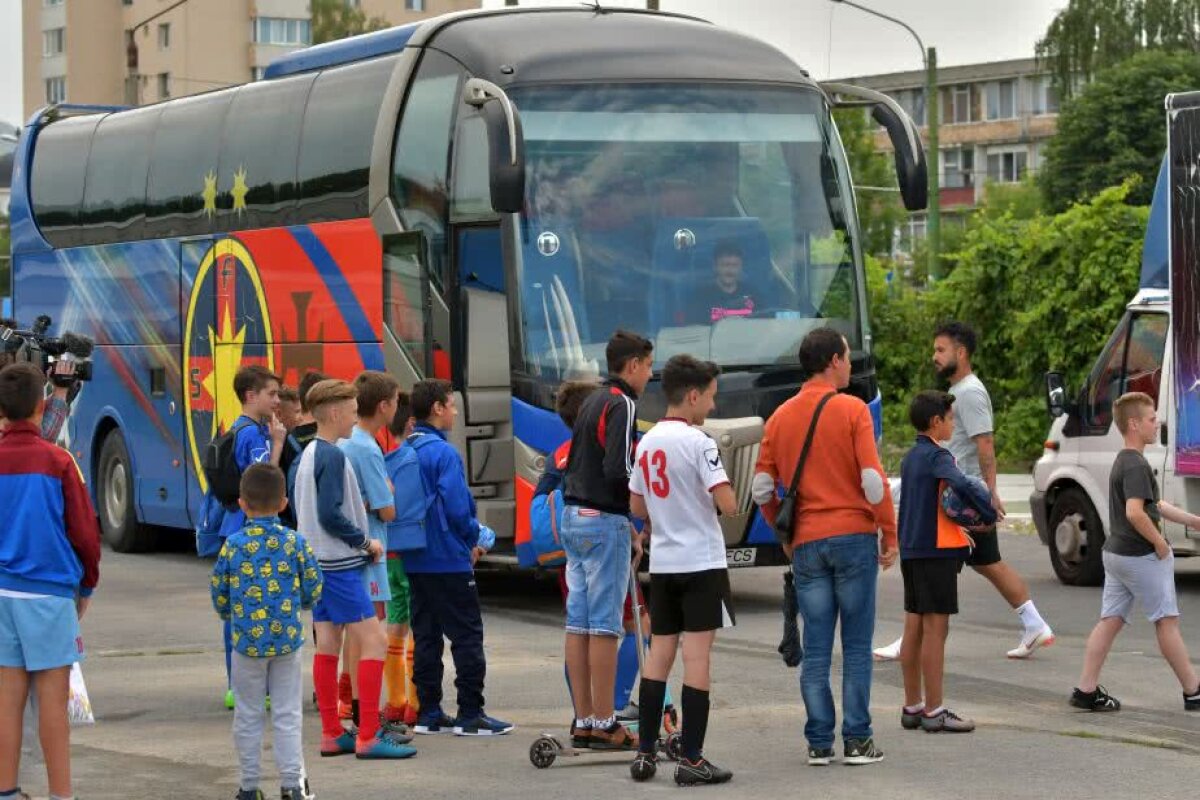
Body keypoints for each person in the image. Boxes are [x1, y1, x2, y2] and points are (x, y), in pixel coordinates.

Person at [753, 327, 897, 766]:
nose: (851, 365)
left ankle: (819, 742)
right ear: (833, 360)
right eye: (848, 357)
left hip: (808, 543)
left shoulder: (779, 417)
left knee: (816, 649)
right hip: (853, 538)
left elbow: (761, 488)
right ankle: (857, 740)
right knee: (856, 646)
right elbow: (872, 482)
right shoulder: (852, 410)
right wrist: (888, 534)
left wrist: (784, 533)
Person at [876, 322, 1054, 660]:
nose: (935, 357)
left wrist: (990, 493)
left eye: (941, 350)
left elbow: (984, 441)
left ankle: (910, 642)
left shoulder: (969, 392)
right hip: (959, 497)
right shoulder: (963, 390)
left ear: (961, 352)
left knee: (933, 568)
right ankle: (1034, 623)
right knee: (987, 563)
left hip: (959, 501)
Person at [628, 355, 737, 786]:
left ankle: (644, 753)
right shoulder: (701, 442)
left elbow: (637, 505)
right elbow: (726, 503)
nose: (711, 406)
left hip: (665, 564)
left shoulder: (648, 441)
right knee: (697, 658)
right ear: (693, 395)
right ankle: (692, 757)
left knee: (659, 655)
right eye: (710, 396)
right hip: (702, 561)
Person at [293, 379, 414, 760]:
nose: (352, 415)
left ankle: (332, 731)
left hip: (317, 561)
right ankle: (368, 736)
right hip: (340, 565)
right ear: (332, 413)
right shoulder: (332, 455)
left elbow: (314, 511)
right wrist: (365, 543)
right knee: (374, 641)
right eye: (348, 409)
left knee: (328, 643)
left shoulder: (310, 452)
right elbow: (331, 514)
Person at [0, 362, 101, 800]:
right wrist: (87, 584)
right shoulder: (60, 461)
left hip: (2, 591)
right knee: (53, 701)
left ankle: (6, 790)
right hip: (48, 592)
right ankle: (62, 794)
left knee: (7, 700)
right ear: (42, 406)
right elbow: (84, 531)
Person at [1070, 392, 1200, 713]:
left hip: (1115, 554)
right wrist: (1160, 543)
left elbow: (1154, 505)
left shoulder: (1125, 461)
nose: (1157, 424)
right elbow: (1135, 513)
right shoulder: (1136, 465)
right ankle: (1193, 691)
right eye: (1152, 419)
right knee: (1166, 621)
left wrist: (1193, 520)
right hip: (1139, 556)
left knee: (1110, 620)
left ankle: (1086, 690)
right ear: (1134, 424)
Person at [561, 330, 654, 750]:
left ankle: (582, 719)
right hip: (604, 520)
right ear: (632, 365)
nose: (650, 375)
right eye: (649, 366)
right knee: (604, 626)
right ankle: (604, 722)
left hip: (573, 516)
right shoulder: (623, 404)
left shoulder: (590, 401)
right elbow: (619, 469)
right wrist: (637, 517)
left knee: (577, 622)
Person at [403, 379, 509, 736]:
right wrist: (474, 539)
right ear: (436, 408)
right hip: (448, 557)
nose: (454, 411)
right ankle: (470, 713)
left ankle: (429, 711)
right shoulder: (444, 453)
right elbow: (456, 507)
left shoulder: (406, 449)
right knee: (466, 635)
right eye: (450, 405)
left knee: (426, 635)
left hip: (415, 557)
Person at [211, 464, 323, 800]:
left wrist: (232, 614)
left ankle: (248, 787)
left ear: (242, 504)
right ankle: (292, 785)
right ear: (284, 503)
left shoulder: (233, 545)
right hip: (287, 641)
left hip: (246, 644)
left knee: (248, 715)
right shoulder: (294, 542)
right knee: (287, 713)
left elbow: (219, 592)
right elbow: (314, 586)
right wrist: (299, 604)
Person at [897, 391, 996, 734]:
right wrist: (986, 513)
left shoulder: (911, 457)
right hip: (934, 551)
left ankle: (912, 706)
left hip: (911, 549)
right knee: (936, 629)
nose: (954, 423)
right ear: (936, 421)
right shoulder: (940, 456)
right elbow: (961, 485)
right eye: (951, 418)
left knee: (914, 626)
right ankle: (935, 710)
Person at [337, 371, 407, 738]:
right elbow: (387, 509)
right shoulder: (367, 447)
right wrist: (388, 492)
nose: (397, 408)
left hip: (350, 552)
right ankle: (369, 715)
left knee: (354, 633)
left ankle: (354, 708)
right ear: (383, 406)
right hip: (372, 551)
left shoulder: (346, 443)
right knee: (372, 633)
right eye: (395, 401)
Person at [218, 366, 288, 710]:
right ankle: (249, 687)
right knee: (254, 607)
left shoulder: (240, 428)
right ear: (251, 395)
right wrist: (277, 444)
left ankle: (238, 685)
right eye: (272, 394)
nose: (277, 400)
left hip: (233, 527)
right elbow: (264, 480)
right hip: (248, 530)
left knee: (239, 608)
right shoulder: (253, 435)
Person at [382, 394, 419, 727]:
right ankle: (415, 701)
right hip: (411, 551)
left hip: (388, 551)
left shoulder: (384, 459)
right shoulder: (412, 459)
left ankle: (395, 700)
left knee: (395, 621)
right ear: (411, 425)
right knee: (418, 624)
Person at [684, 242, 755, 325]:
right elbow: (693, 328)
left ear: (741, 267)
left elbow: (766, 325)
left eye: (735, 265)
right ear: (715, 267)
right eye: (725, 265)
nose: (730, 271)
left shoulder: (752, 294)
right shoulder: (700, 297)